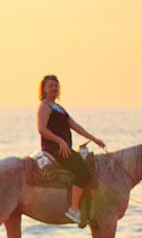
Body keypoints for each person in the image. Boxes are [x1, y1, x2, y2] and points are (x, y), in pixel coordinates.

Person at [36, 74, 105, 224]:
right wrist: (60, 141)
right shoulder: (44, 106)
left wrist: (94, 139)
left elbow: (75, 126)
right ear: (44, 89)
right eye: (51, 86)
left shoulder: (59, 108)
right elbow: (41, 129)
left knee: (87, 164)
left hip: (64, 148)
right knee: (83, 171)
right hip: (54, 149)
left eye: (56, 85)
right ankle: (73, 209)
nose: (54, 88)